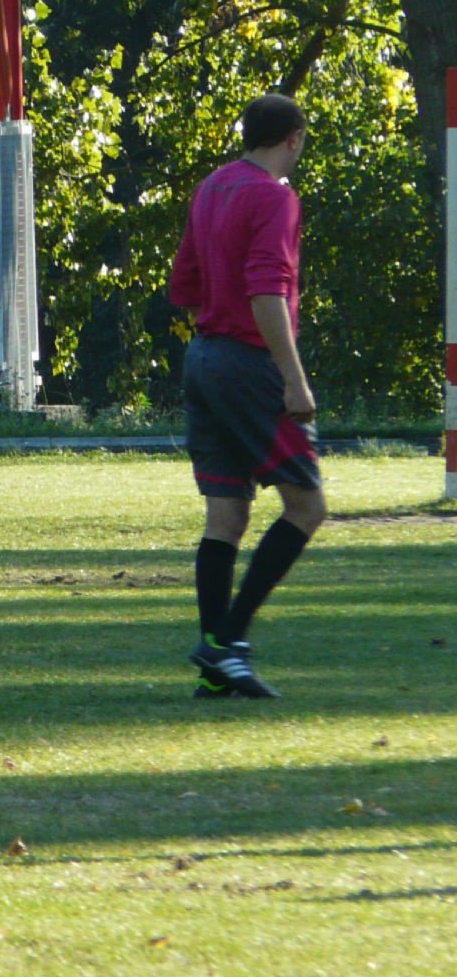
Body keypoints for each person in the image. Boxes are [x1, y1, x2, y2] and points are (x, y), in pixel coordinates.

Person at [167, 93, 326, 700]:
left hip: (203, 357)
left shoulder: (212, 187)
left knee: (226, 517)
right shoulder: (275, 197)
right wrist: (293, 378)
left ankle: (218, 670)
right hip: (248, 364)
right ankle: (227, 641)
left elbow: (185, 283)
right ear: (293, 138)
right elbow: (266, 294)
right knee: (306, 506)